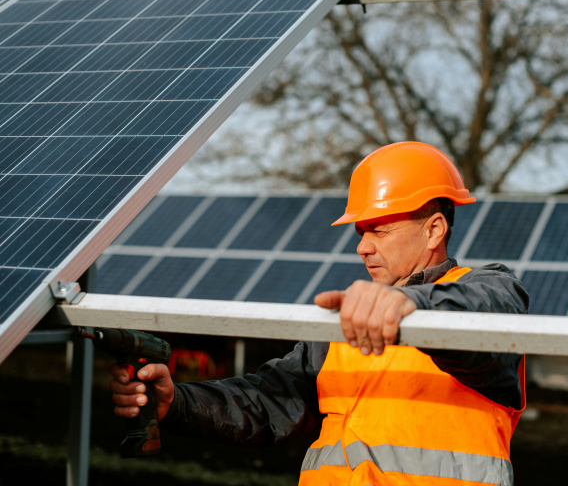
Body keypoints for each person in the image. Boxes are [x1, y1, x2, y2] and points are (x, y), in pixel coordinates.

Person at [109, 141, 529, 485]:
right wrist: (177, 402)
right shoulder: (349, 320)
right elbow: (269, 401)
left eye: (378, 230)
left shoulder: (487, 289)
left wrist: (410, 304)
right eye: (361, 233)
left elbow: (481, 315)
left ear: (434, 229)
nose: (362, 247)